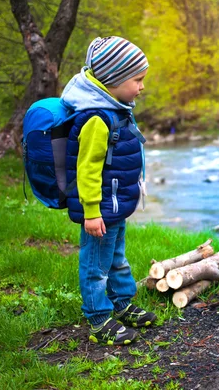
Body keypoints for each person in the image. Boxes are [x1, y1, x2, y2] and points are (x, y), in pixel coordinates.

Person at [60, 36, 157, 346]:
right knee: (95, 264)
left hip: (114, 206)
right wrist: (90, 212)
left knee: (117, 258)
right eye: (137, 79)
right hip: (99, 210)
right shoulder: (97, 119)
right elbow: (86, 170)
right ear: (114, 79)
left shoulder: (117, 109)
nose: (142, 87)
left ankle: (121, 302)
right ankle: (98, 317)